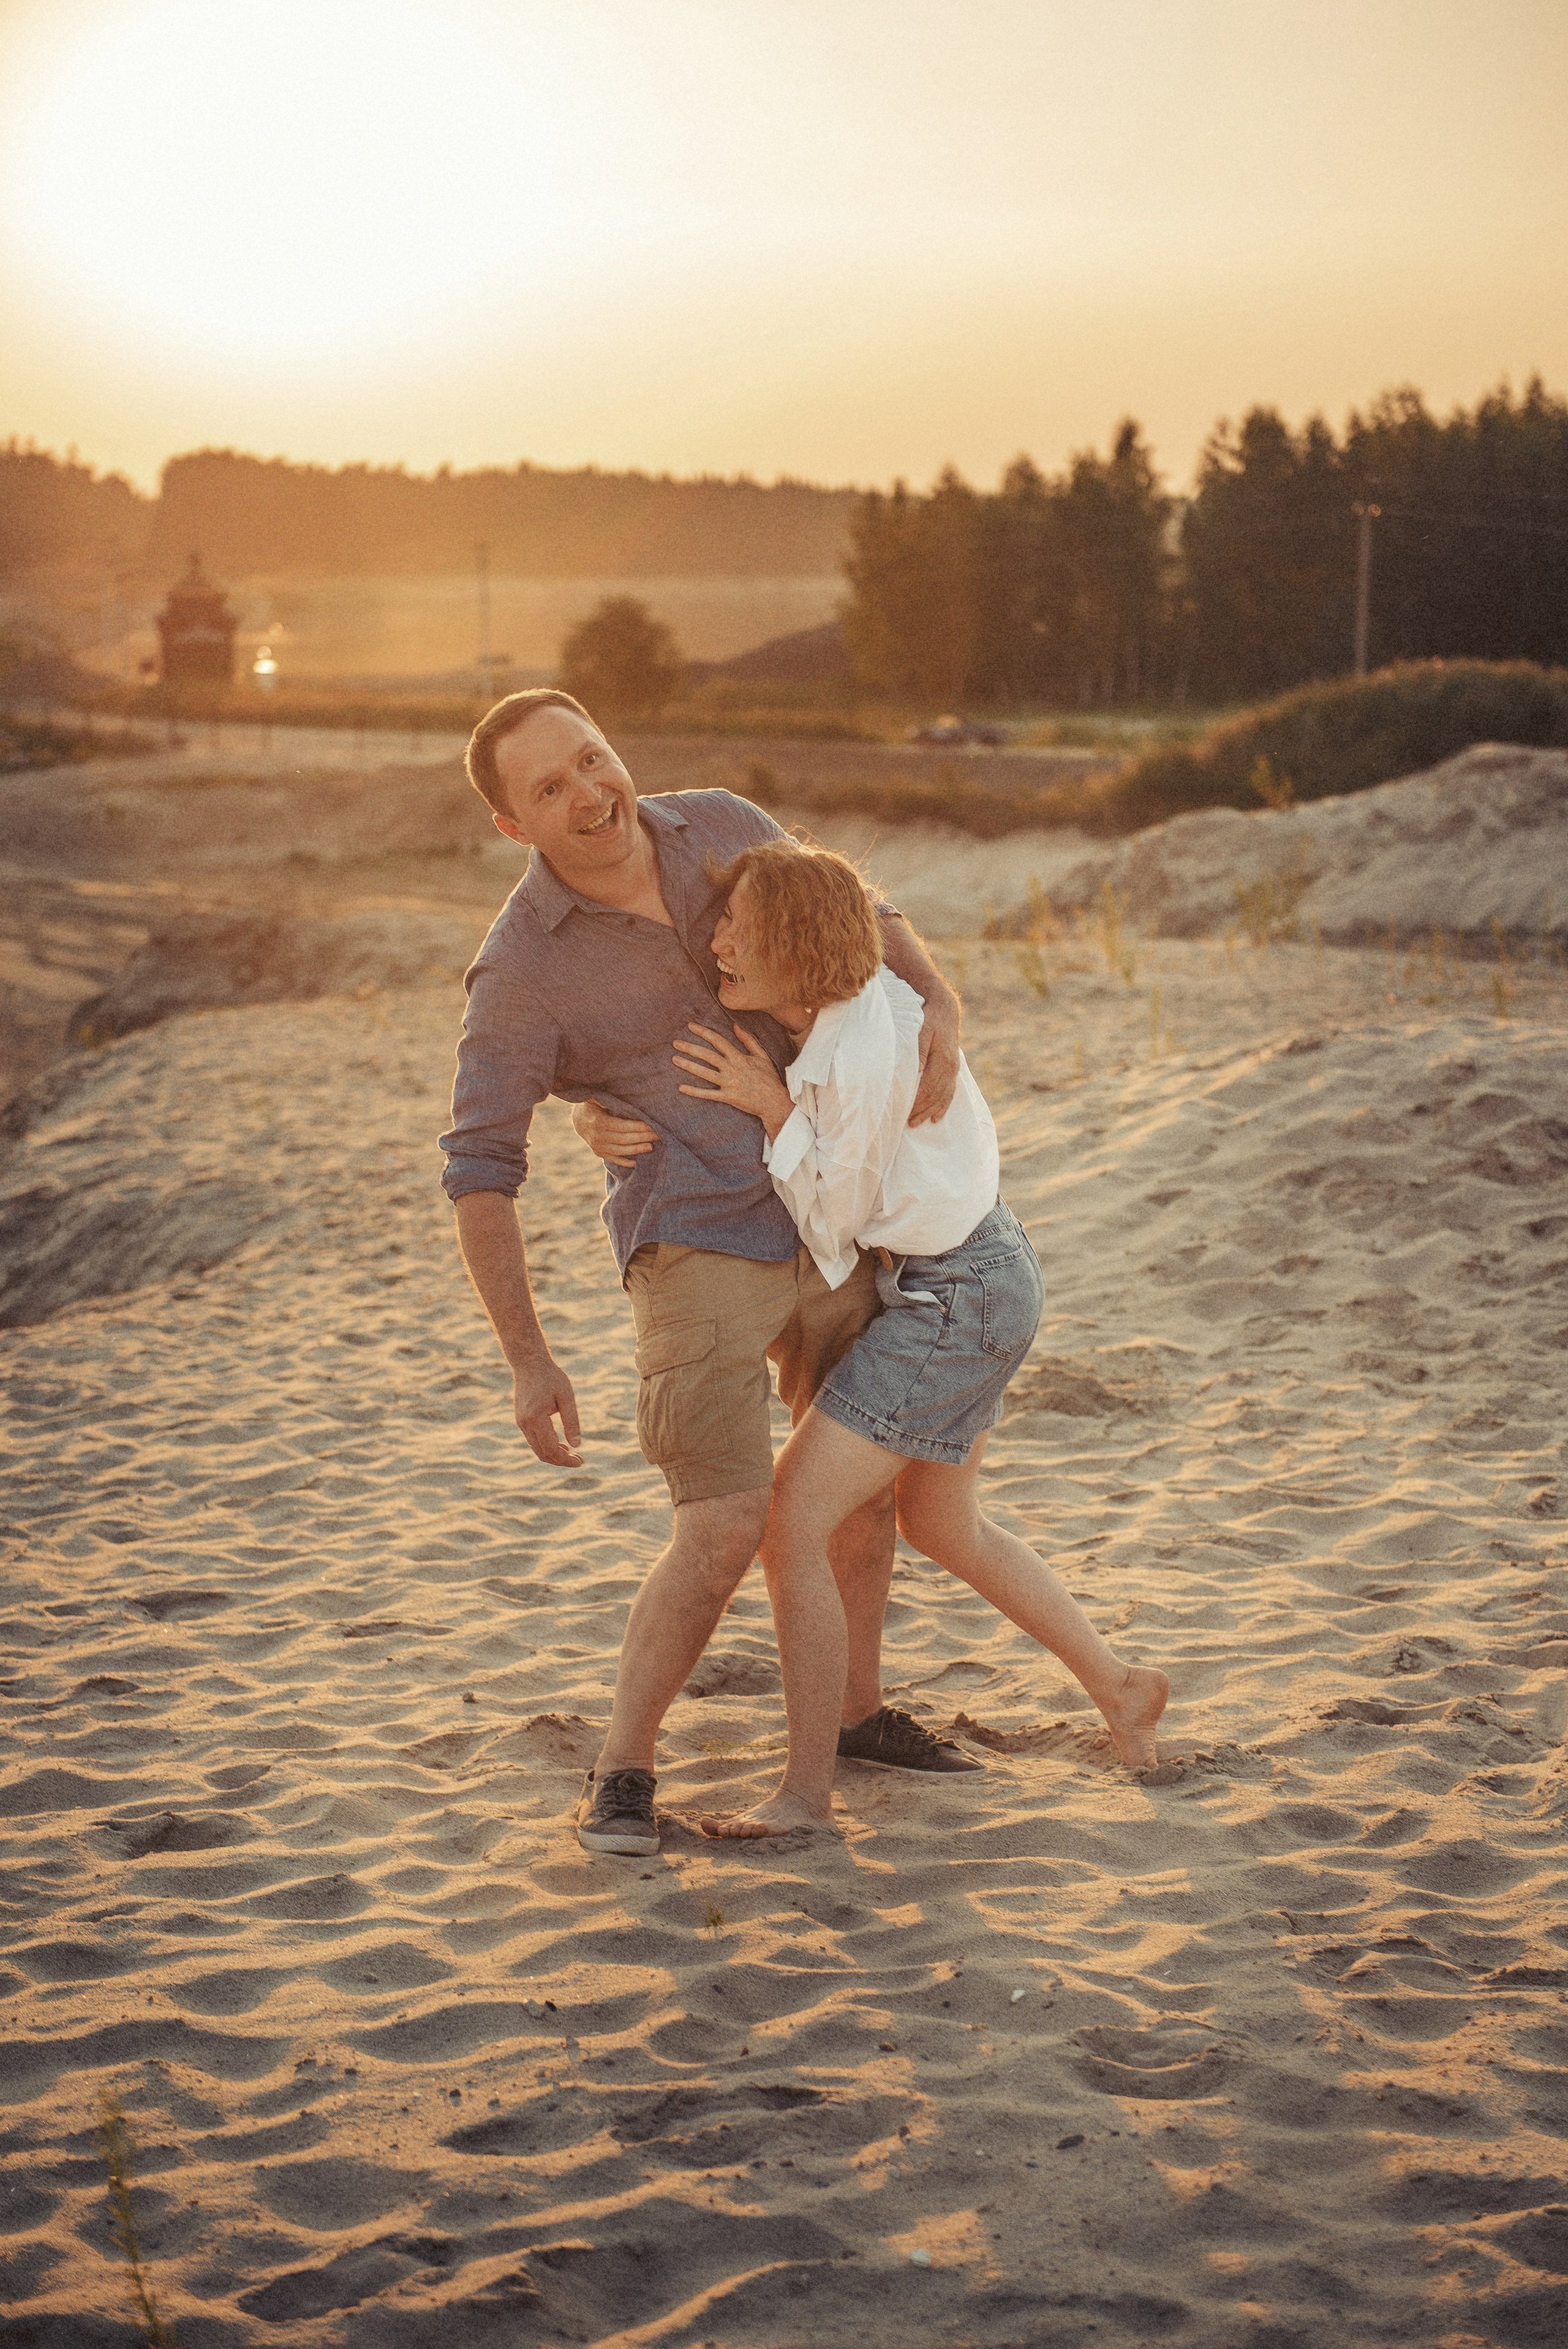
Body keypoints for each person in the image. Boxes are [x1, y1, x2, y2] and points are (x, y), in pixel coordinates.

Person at [438, 689, 983, 1864]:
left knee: (858, 1496)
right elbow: (481, 1167)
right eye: (549, 789)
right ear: (513, 827)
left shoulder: (722, 825)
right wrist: (529, 1361)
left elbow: (862, 911)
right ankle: (623, 1767)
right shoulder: (520, 970)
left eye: (593, 757)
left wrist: (940, 996)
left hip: (833, 1217)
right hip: (691, 1245)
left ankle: (857, 1716)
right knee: (725, 1521)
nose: (589, 794)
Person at [636, 837, 1169, 1839]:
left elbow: (837, 1223)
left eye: (739, 928)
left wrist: (772, 1107)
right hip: (979, 1271)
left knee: (791, 1522)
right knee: (942, 1527)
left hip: (954, 1296)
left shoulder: (865, 1051)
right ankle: (1121, 1684)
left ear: (795, 944)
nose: (717, 942)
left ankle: (804, 1797)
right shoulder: (856, 1012)